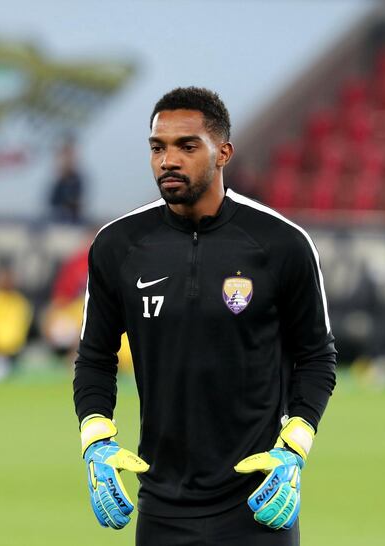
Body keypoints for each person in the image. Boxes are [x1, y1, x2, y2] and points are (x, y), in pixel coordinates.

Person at [73, 87, 337, 545]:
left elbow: (316, 356)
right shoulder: (119, 246)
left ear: (223, 153)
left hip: (256, 503)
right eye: (158, 147)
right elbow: (95, 357)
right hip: (160, 507)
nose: (168, 160)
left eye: (186, 146)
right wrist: (95, 440)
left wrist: (295, 447)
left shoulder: (281, 244)